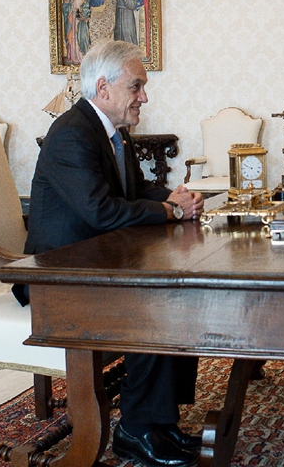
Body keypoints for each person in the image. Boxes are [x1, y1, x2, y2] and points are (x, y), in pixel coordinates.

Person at [23, 40, 205, 467]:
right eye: (136, 86)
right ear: (103, 88)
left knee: (179, 293)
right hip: (56, 276)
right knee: (154, 303)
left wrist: (174, 197)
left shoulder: (110, 132)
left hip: (92, 263)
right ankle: (136, 431)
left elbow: (133, 190)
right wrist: (169, 210)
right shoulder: (70, 132)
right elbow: (101, 209)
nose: (144, 96)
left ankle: (159, 424)